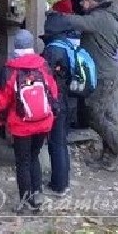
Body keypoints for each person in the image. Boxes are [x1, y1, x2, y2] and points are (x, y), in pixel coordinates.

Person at [65, 0, 118, 174]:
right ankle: (109, 157)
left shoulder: (100, 18)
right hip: (105, 72)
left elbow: (78, 22)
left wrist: (55, 15)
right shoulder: (108, 14)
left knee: (94, 116)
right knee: (104, 117)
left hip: (102, 75)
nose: (81, 2)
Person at [0, 29, 59, 214]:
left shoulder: (10, 70)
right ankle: (37, 197)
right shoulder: (43, 66)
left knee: (23, 162)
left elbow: (1, 101)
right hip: (43, 121)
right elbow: (53, 92)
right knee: (34, 157)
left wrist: (0, 123)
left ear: (16, 47)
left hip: (21, 125)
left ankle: (25, 201)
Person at [40, 12, 80, 196]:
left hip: (56, 100)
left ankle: (59, 185)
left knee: (55, 143)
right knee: (61, 142)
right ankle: (64, 180)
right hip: (67, 99)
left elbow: (44, 75)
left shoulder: (53, 50)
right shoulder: (68, 45)